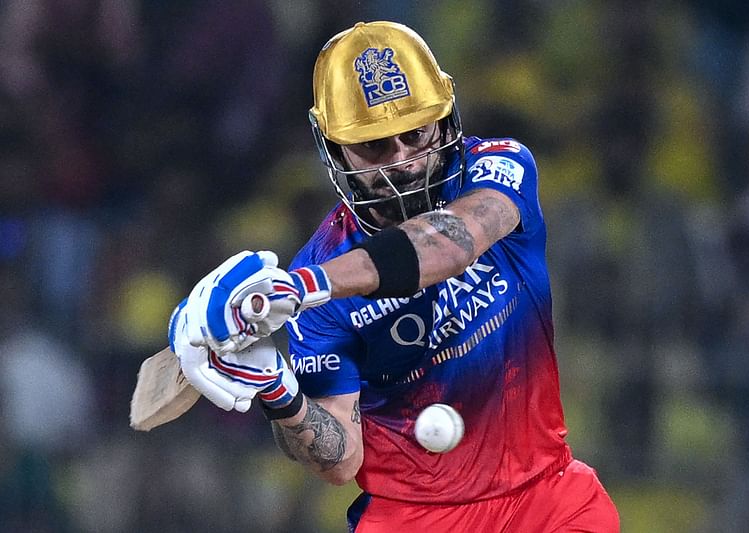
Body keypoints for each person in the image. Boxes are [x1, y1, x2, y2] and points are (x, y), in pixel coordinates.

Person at [168, 20, 620, 532]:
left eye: (415, 133)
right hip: (411, 519)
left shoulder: (500, 167)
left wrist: (304, 288)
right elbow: (339, 460)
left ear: (444, 119)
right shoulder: (317, 276)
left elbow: (449, 243)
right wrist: (278, 393)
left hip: (547, 499)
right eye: (375, 146)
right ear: (334, 150)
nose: (403, 160)